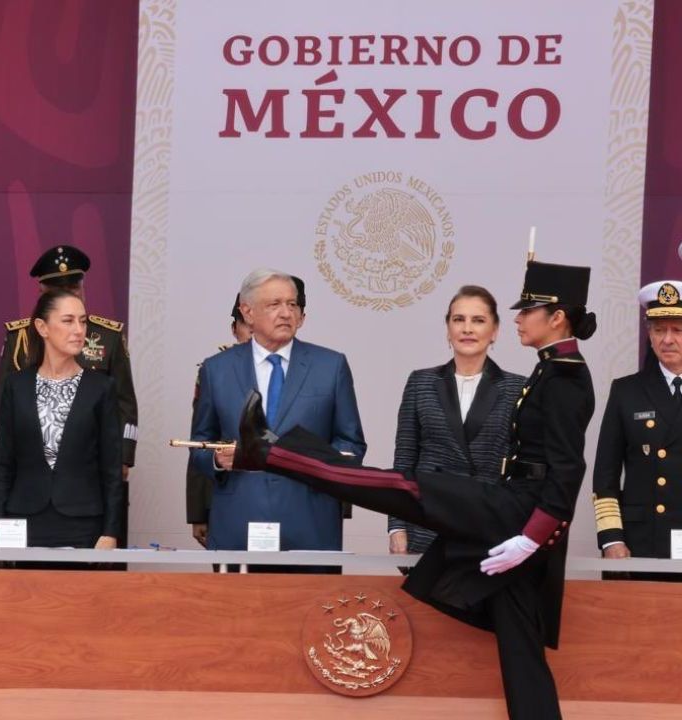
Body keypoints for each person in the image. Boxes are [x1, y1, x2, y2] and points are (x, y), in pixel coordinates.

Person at [232, 258, 596, 720]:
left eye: (526, 311)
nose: (520, 318)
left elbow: (567, 470)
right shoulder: (551, 370)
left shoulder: (564, 378)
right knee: (521, 645)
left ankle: (268, 451)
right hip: (513, 509)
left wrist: (532, 537)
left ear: (556, 318)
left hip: (514, 511)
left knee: (397, 484)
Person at [190, 269, 365, 558]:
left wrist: (313, 463)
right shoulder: (216, 369)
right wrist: (217, 460)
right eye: (274, 305)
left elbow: (352, 445)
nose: (286, 313)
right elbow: (199, 444)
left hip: (311, 526)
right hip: (238, 525)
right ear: (247, 312)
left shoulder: (331, 367)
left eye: (292, 304)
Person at [388, 286, 526, 555]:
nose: (467, 329)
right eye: (458, 319)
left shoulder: (517, 388)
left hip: (489, 527)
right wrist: (396, 527)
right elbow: (404, 461)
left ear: (495, 331)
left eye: (478, 320)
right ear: (448, 328)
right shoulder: (421, 382)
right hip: (427, 523)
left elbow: (521, 471)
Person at [0, 288, 122, 549]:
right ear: (42, 327)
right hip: (23, 520)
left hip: (83, 523)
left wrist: (110, 531)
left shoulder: (101, 387)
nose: (79, 330)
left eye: (83, 321)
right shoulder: (16, 385)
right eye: (68, 320)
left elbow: (112, 470)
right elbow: (2, 464)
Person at [593, 280, 682, 569]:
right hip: (641, 541)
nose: (667, 340)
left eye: (677, 330)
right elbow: (605, 475)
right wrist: (611, 539)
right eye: (659, 330)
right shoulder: (626, 391)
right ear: (649, 333)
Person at [187, 293, 253, 547]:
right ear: (234, 329)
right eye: (246, 325)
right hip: (227, 496)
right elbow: (201, 442)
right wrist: (198, 513)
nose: (253, 333)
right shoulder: (215, 371)